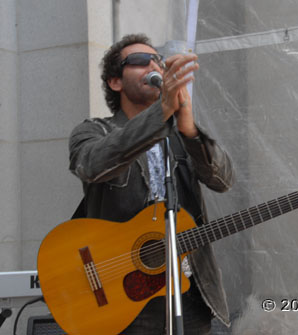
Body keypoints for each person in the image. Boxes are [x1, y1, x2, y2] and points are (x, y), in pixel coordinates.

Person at [68, 34, 234, 334]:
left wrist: (189, 129)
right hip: (123, 294)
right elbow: (91, 165)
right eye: (140, 61)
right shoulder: (93, 131)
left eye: (156, 59)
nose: (153, 65)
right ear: (116, 82)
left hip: (189, 289)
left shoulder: (181, 135)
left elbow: (222, 180)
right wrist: (160, 114)